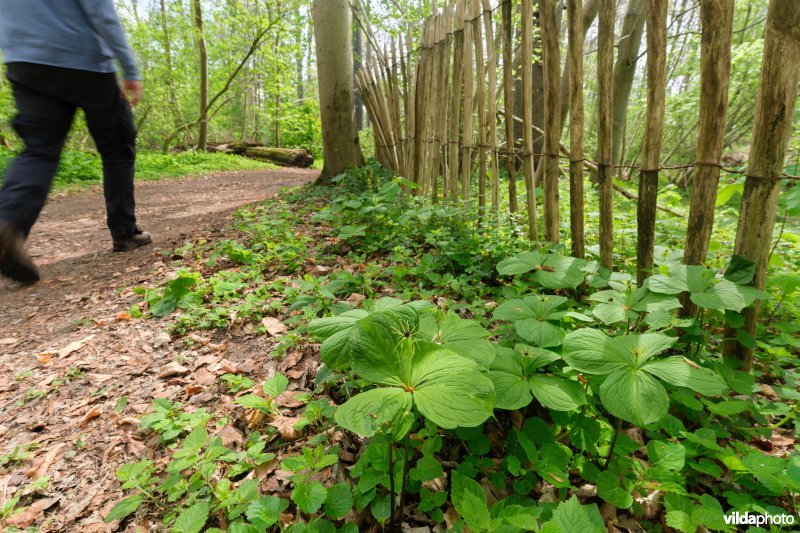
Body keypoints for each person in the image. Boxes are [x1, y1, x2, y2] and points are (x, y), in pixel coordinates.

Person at [0, 0, 152, 284]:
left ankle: (7, 223)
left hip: (25, 61)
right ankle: (125, 233)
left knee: (39, 150)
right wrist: (130, 69)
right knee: (118, 148)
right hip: (86, 62)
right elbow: (100, 11)